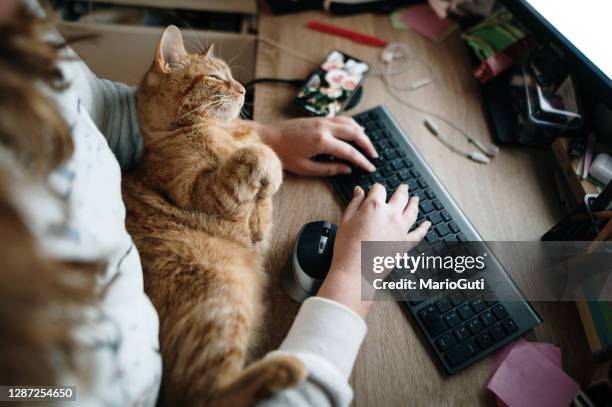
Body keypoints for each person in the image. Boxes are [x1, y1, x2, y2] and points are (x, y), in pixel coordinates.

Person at [0, 1, 430, 405]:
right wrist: (356, 271)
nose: (238, 89)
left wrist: (268, 134)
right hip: (178, 323)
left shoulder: (16, 31)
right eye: (218, 80)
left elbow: (100, 108)